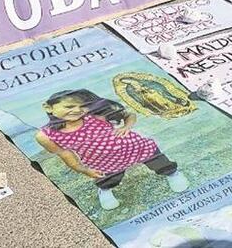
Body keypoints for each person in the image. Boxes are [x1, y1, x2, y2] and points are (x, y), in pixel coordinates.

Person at [35, 90, 188, 211]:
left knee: (158, 160)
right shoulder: (46, 135)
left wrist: (126, 127)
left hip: (134, 146)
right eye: (69, 107)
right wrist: (82, 169)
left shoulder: (95, 115)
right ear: (48, 107)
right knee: (108, 178)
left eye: (82, 106)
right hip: (102, 161)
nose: (77, 110)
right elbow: (64, 153)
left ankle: (172, 173)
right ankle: (105, 190)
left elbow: (129, 115)